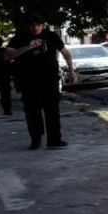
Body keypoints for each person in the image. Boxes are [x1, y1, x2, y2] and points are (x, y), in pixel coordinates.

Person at [7, 13, 76, 149]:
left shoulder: (51, 36)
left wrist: (71, 70)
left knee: (52, 110)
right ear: (27, 25)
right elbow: (8, 55)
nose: (35, 27)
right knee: (32, 110)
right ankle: (36, 139)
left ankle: (54, 139)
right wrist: (28, 47)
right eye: (32, 25)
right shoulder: (20, 37)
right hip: (28, 79)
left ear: (42, 25)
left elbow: (65, 53)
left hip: (49, 78)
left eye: (38, 25)